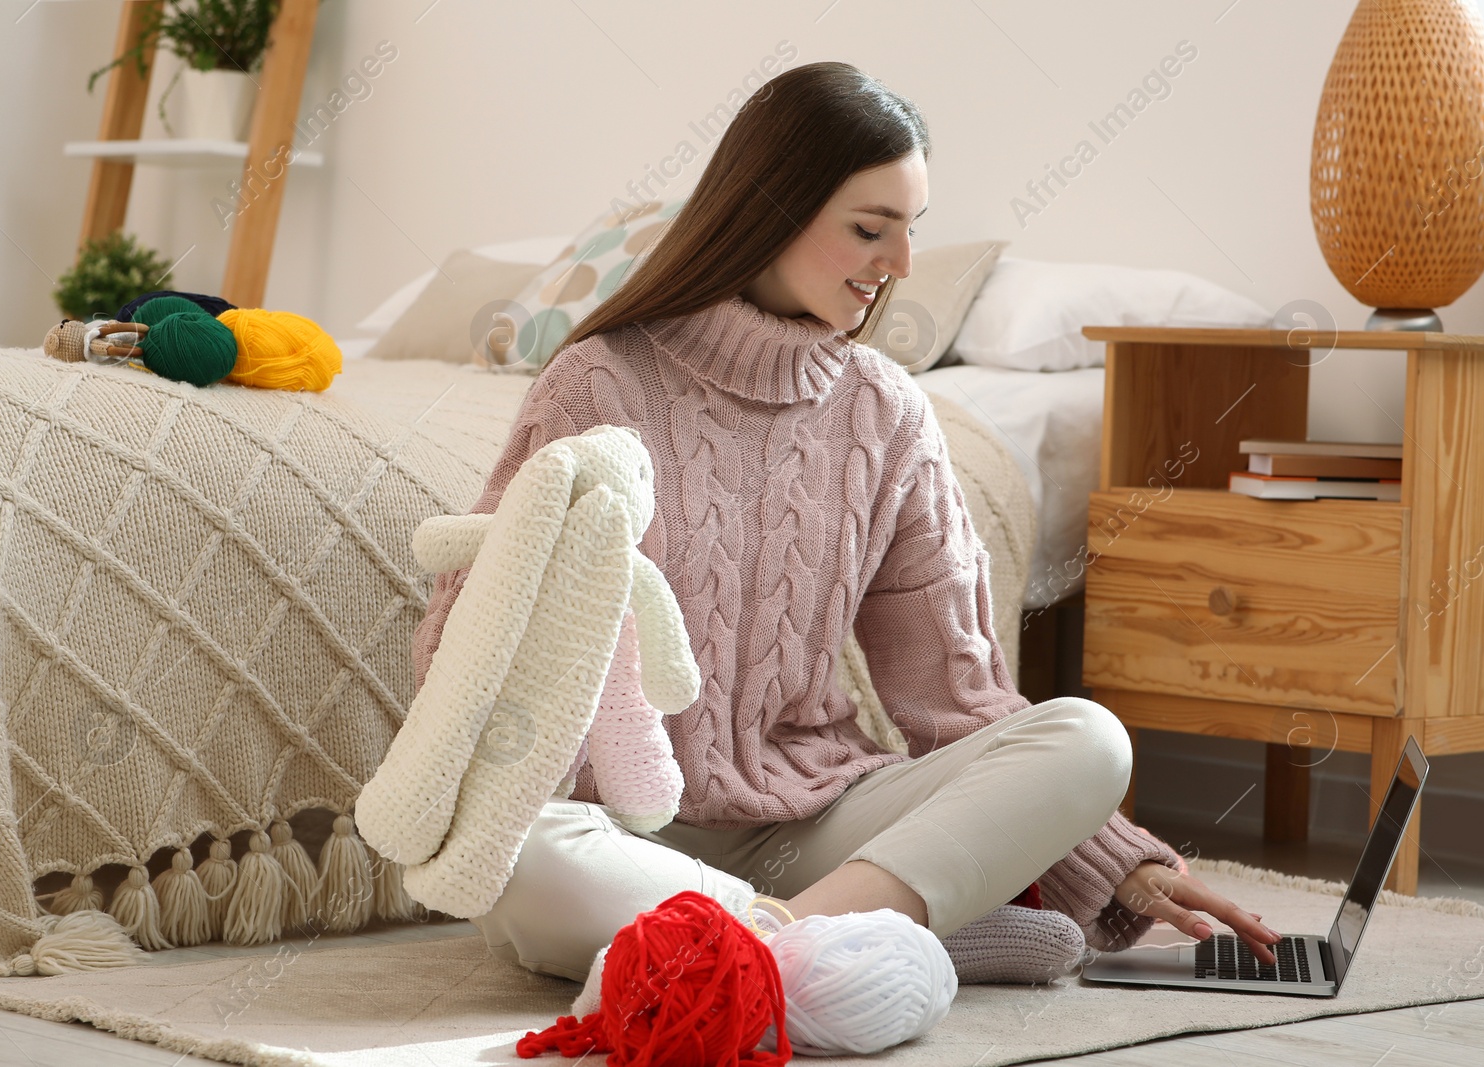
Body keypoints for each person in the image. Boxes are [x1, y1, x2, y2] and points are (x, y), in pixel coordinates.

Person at [411, 60, 1280, 987]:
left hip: (815, 830)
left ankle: (757, 945)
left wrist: (1125, 865)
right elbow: (465, 651)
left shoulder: (887, 414)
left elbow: (962, 704)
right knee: (529, 855)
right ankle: (852, 938)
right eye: (870, 229)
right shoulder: (598, 381)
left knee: (1088, 739)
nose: (900, 265)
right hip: (621, 830)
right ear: (770, 210)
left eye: (911, 232)